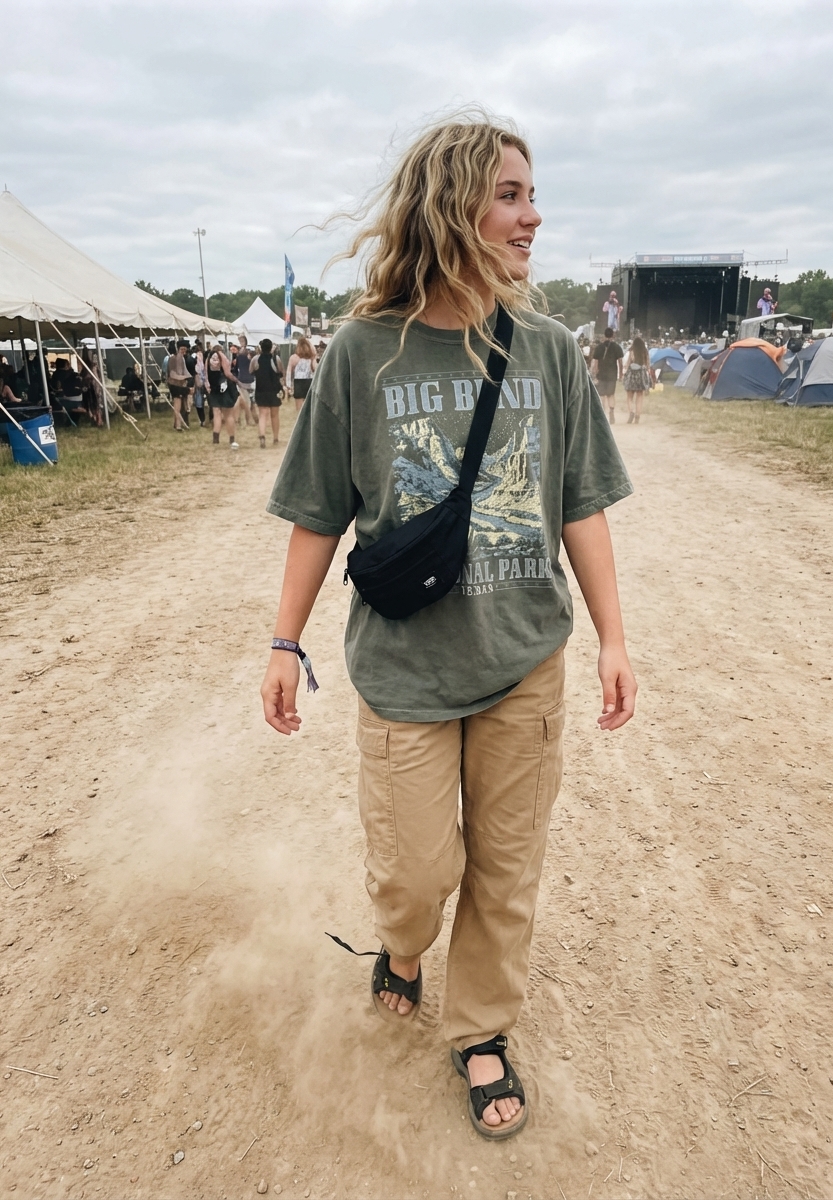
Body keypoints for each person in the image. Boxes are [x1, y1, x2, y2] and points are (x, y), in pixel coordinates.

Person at [260, 114, 636, 1140]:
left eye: (531, 192)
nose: (532, 214)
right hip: (403, 666)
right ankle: (404, 944)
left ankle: (478, 1030)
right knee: (416, 875)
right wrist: (283, 641)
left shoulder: (550, 353)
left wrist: (610, 635)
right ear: (452, 206)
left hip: (524, 659)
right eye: (510, 193)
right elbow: (314, 511)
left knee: (507, 866)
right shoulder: (360, 354)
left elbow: (579, 500)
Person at [250, 338, 285, 447]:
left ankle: (262, 436)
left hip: (261, 389)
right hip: (274, 390)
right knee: (274, 415)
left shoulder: (256, 359)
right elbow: (281, 372)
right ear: (271, 348)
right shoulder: (276, 359)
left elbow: (251, 371)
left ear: (260, 347)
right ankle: (275, 438)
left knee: (262, 415)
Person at [206, 343, 240, 448]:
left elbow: (205, 375)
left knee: (216, 414)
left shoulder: (208, 359)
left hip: (213, 388)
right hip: (224, 388)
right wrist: (237, 380)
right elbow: (228, 373)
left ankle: (216, 438)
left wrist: (207, 387)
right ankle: (231, 438)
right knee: (228, 415)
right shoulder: (222, 357)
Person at [589, 326, 624, 422]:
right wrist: (621, 374)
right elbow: (620, 362)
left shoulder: (599, 347)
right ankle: (611, 411)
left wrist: (595, 373)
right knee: (611, 394)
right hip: (612, 375)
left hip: (601, 374)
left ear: (604, 335)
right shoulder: (617, 347)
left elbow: (595, 362)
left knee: (602, 395)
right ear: (613, 335)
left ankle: (602, 414)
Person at [621, 336, 652, 423]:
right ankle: (637, 415)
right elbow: (648, 364)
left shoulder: (631, 351)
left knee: (629, 396)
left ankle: (632, 411)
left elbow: (628, 363)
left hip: (632, 373)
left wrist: (624, 374)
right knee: (639, 396)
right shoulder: (644, 351)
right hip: (641, 374)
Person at [233, 337, 259, 428]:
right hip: (246, 380)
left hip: (244, 380)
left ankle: (246, 421)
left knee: (248, 402)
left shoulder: (241, 354)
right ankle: (249, 421)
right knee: (248, 402)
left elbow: (237, 368)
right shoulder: (247, 354)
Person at [286, 336, 316, 412]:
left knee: (299, 410)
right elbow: (316, 369)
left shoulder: (293, 358)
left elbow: (289, 373)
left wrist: (289, 386)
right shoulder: (311, 357)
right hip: (310, 381)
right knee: (310, 409)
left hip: (298, 382)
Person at [166, 341, 192, 430]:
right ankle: (178, 426)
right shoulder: (173, 359)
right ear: (177, 349)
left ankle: (179, 424)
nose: (184, 351)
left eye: (185, 349)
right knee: (177, 405)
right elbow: (172, 374)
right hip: (174, 384)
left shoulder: (182, 359)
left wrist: (187, 377)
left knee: (181, 405)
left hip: (181, 385)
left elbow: (185, 371)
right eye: (182, 349)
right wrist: (184, 377)